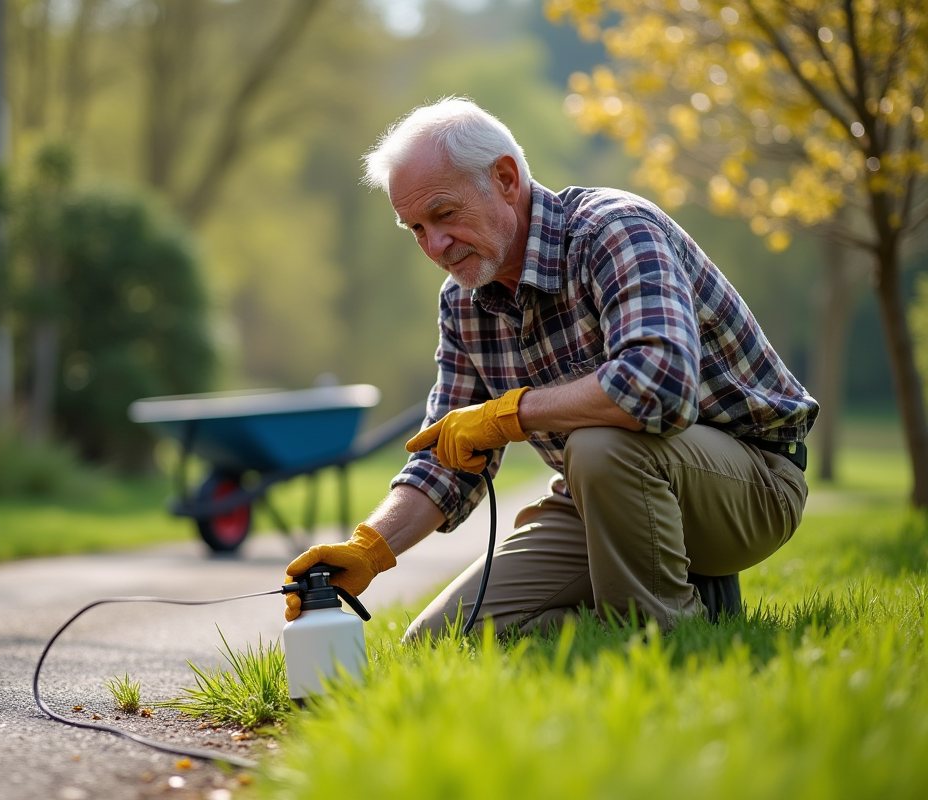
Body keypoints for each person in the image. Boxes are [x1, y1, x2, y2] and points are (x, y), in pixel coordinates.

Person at [284, 97, 817, 637]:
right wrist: (369, 549)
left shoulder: (614, 230)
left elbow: (659, 384)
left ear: (506, 178)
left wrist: (510, 415)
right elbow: (446, 456)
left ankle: (669, 638)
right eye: (415, 228)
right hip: (605, 494)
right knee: (441, 641)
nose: (435, 245)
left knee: (598, 445)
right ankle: (684, 604)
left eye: (443, 214)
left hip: (751, 483)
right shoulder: (463, 302)